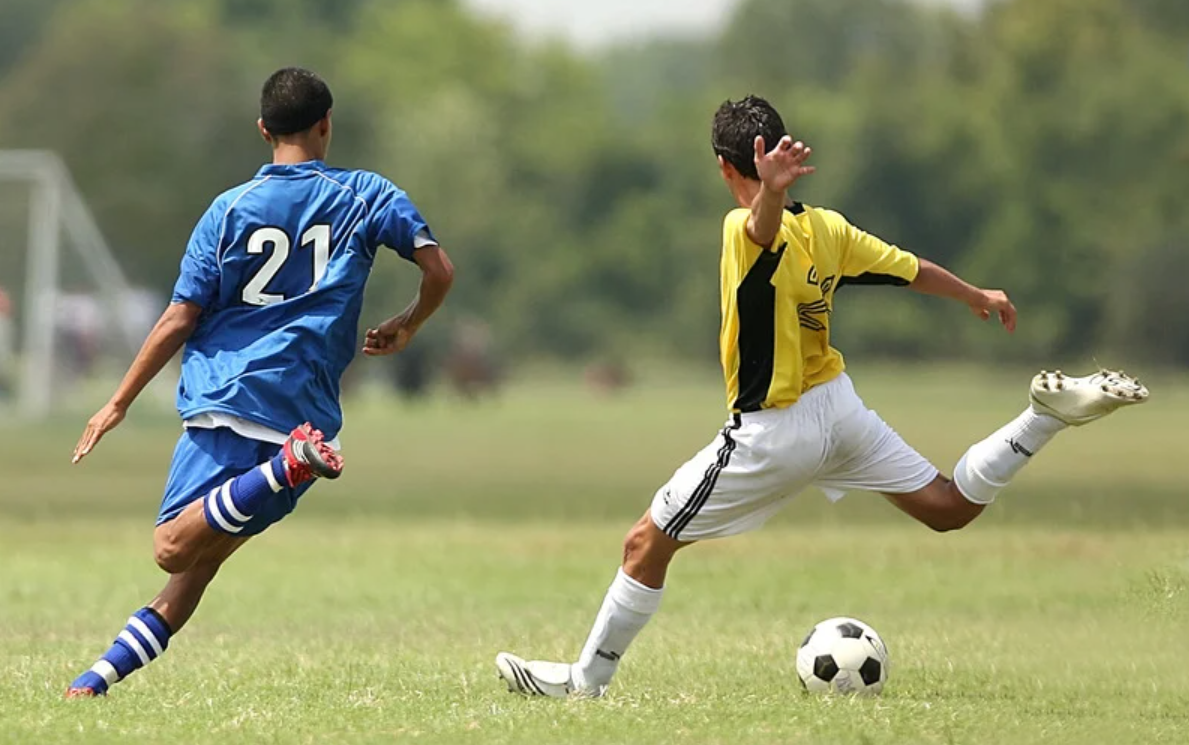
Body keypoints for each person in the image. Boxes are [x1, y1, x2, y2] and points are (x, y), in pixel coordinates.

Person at [494, 95, 1148, 698]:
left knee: (644, 544)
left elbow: (759, 231)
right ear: (777, 152)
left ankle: (587, 682)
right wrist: (975, 293)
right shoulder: (828, 229)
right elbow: (907, 267)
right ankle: (1039, 419)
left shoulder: (739, 228)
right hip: (838, 409)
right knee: (947, 507)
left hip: (773, 430)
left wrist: (766, 196)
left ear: (725, 167)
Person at [65, 67, 454, 697]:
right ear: (327, 125)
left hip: (229, 397)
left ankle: (283, 467)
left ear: (263, 130)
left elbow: (179, 317)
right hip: (305, 409)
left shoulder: (228, 210)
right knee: (195, 571)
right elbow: (439, 270)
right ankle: (95, 681)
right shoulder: (368, 194)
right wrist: (407, 325)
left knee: (171, 548)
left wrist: (117, 402)